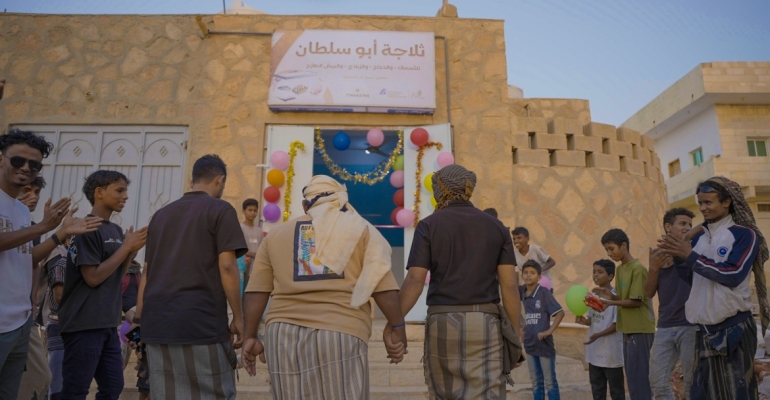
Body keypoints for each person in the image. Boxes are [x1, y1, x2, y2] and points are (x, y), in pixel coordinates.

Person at [241, 175, 406, 399]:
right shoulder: (362, 230)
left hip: (283, 334)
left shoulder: (276, 235)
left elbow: (256, 290)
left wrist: (250, 335)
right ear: (341, 202)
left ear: (304, 205)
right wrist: (397, 326)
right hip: (341, 331)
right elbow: (382, 287)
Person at [397, 164, 523, 398]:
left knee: (445, 393)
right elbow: (509, 286)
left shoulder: (429, 225)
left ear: (440, 190)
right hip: (485, 322)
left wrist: (394, 323)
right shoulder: (497, 227)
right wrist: (515, 336)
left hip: (442, 322)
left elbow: (415, 280)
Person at [135, 155, 247, 400]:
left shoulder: (160, 215)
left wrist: (140, 319)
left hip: (157, 325)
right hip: (200, 323)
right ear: (220, 181)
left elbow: (147, 271)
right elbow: (227, 266)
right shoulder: (220, 209)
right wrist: (238, 318)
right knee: (214, 393)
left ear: (192, 180)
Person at [0, 129, 102, 399]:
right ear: (1, 159)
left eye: (34, 165)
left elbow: (26, 257)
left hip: (20, 321)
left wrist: (60, 234)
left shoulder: (21, 210)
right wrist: (43, 227)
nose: (26, 169)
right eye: (18, 161)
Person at [658, 177, 768, 399]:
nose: (702, 208)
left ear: (727, 202)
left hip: (734, 329)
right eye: (700, 203)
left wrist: (688, 254)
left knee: (736, 394)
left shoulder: (744, 235)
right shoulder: (698, 237)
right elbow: (693, 279)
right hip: (704, 332)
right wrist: (678, 257)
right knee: (703, 394)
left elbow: (733, 274)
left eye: (708, 202)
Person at [58, 170, 147, 400]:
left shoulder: (115, 230)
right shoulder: (85, 228)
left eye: (125, 190)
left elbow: (117, 274)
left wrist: (130, 250)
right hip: (83, 323)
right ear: (99, 193)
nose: (125, 196)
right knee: (76, 390)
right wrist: (126, 248)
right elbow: (93, 278)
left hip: (108, 323)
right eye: (119, 190)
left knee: (112, 387)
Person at [594, 228, 655, 400]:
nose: (609, 253)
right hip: (627, 329)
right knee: (633, 380)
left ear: (624, 245)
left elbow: (636, 301)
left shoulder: (638, 269)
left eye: (611, 248)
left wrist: (611, 302)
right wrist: (610, 296)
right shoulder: (621, 269)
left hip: (640, 330)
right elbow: (624, 297)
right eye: (606, 249)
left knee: (640, 379)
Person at [644, 208, 697, 399]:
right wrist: (653, 268)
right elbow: (648, 293)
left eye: (690, 224)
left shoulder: (695, 251)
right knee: (657, 382)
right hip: (665, 326)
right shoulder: (657, 254)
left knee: (692, 383)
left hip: (691, 325)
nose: (687, 228)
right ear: (668, 227)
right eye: (682, 223)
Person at [15, 176, 53, 400]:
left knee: (41, 375)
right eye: (26, 191)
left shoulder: (31, 227)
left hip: (24, 313)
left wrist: (34, 301)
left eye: (37, 191)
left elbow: (34, 263)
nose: (33, 197)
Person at [576, 259, 625, 400]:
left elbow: (617, 325)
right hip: (594, 353)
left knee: (617, 392)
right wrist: (584, 321)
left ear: (610, 276)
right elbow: (592, 319)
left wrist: (598, 335)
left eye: (600, 272)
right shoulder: (593, 296)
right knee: (597, 390)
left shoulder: (616, 298)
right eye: (594, 272)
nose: (595, 275)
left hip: (611, 353)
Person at [520, 260, 564, 400]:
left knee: (550, 382)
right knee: (535, 383)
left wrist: (549, 331)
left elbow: (560, 313)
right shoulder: (521, 292)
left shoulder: (543, 293)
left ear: (539, 277)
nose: (528, 276)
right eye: (525, 273)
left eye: (532, 273)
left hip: (544, 346)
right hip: (530, 344)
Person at [238, 198, 263, 295]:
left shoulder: (259, 230)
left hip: (255, 269)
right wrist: (254, 254)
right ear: (243, 211)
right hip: (243, 268)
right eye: (250, 210)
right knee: (242, 294)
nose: (253, 213)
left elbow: (261, 248)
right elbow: (238, 249)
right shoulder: (240, 228)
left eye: (255, 210)